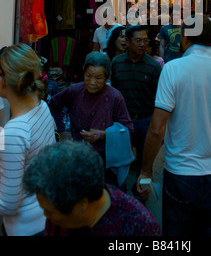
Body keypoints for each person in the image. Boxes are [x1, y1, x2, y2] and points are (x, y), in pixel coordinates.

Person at [137, 15, 211, 236]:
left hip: (181, 174)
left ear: (185, 37)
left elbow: (157, 129)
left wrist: (145, 170)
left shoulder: (173, 69)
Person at [23, 140, 161, 236]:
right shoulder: (59, 216)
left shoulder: (139, 227)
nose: (45, 216)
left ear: (82, 203)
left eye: (49, 211)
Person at [49, 51, 134, 186]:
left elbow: (128, 129)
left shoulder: (115, 97)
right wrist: (64, 131)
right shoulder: (74, 90)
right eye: (88, 76)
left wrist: (103, 134)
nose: (92, 82)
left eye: (98, 78)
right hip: (77, 156)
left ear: (107, 78)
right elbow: (54, 105)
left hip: (104, 160)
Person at [0, 43, 56, 236]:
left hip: (25, 226)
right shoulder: (41, 107)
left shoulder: (15, 131)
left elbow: (8, 205)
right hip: (44, 216)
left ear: (3, 81)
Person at [111, 25, 162, 179]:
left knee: (144, 164)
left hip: (145, 121)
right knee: (119, 162)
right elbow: (115, 92)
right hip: (123, 121)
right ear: (127, 41)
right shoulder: (117, 63)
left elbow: (158, 97)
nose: (142, 44)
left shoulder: (153, 67)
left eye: (145, 41)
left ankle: (141, 195)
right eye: (138, 40)